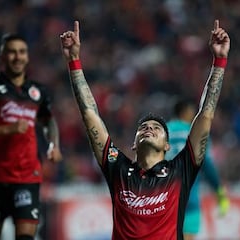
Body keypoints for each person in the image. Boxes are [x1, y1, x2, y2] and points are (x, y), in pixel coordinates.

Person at [60, 19, 230, 239]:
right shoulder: (118, 168)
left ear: (167, 145)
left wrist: (219, 61)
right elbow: (90, 115)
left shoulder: (180, 170)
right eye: (143, 127)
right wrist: (74, 61)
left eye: (157, 128)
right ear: (133, 143)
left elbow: (205, 114)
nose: (149, 128)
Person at [0, 33, 62, 240]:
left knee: (25, 236)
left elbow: (48, 120)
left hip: (27, 177)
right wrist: (5, 129)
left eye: (22, 52)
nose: (18, 57)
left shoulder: (37, 92)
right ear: (2, 57)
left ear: (27, 57)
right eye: (12, 52)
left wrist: (53, 144)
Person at [166, 98, 230, 240]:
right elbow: (206, 164)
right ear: (186, 112)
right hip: (189, 200)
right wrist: (219, 190)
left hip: (163, 200)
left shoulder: (160, 131)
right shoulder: (196, 132)